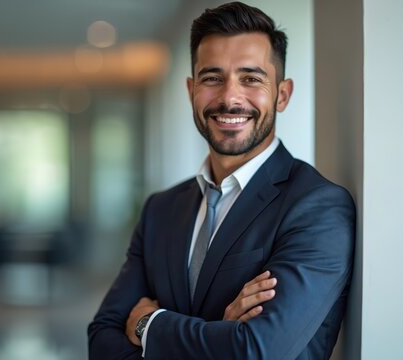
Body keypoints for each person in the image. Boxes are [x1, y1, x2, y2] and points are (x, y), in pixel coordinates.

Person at [88, 2, 355, 359]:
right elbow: (102, 340)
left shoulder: (316, 207)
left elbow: (257, 350)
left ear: (283, 94)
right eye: (212, 78)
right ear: (191, 91)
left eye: (251, 78)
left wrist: (147, 325)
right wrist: (220, 332)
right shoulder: (160, 210)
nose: (230, 97)